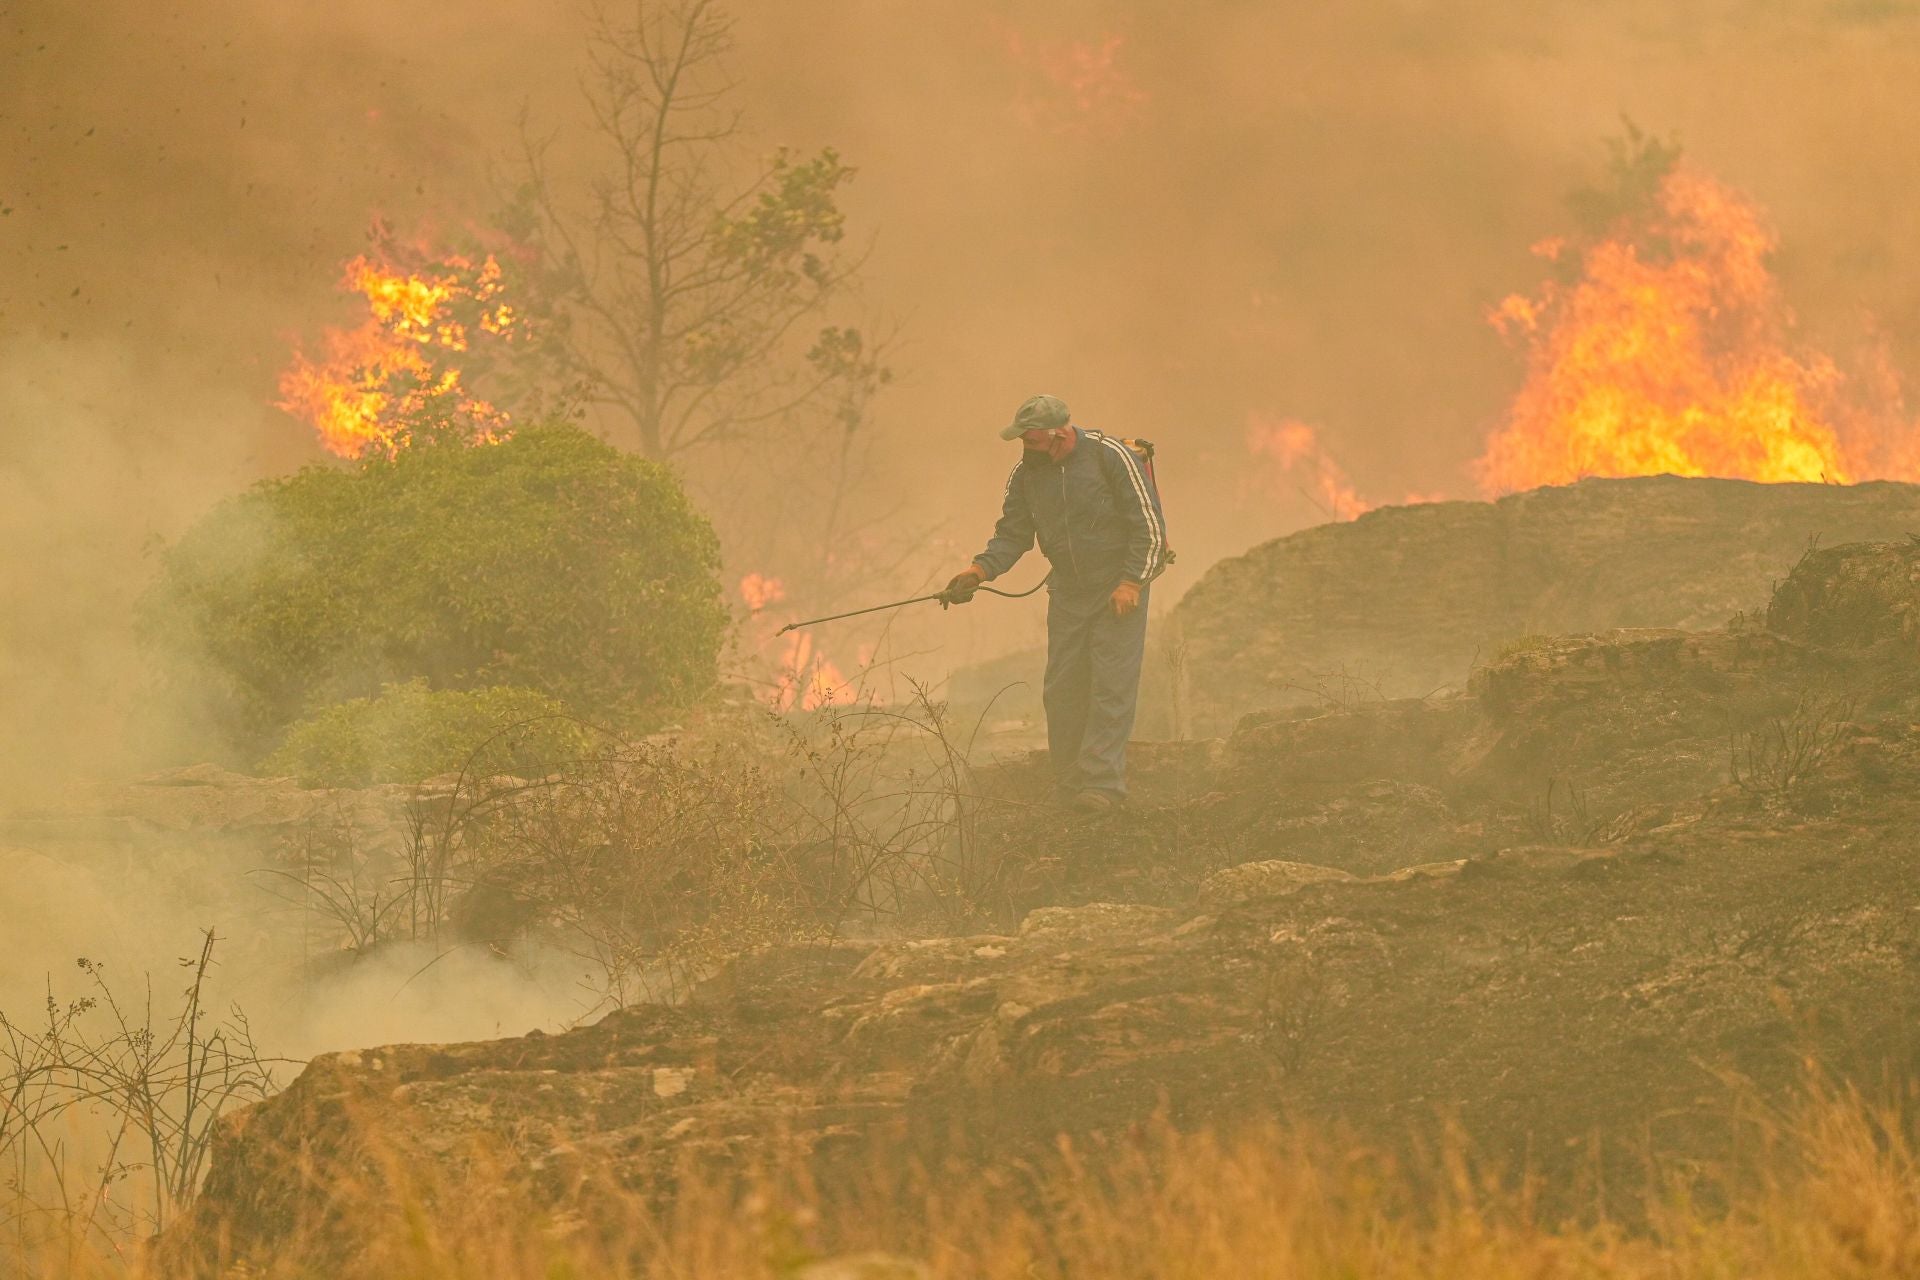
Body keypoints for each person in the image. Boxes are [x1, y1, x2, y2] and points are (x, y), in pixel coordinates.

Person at [944, 394, 1169, 812]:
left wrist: (1132, 582)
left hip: (1118, 588)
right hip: (1068, 590)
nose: (1024, 450)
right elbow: (1012, 534)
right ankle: (1068, 785)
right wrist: (978, 572)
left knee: (1110, 684)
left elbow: (1150, 528)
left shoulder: (1112, 458)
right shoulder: (1026, 475)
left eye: (1030, 442)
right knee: (1062, 687)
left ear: (1060, 436)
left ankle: (1101, 786)